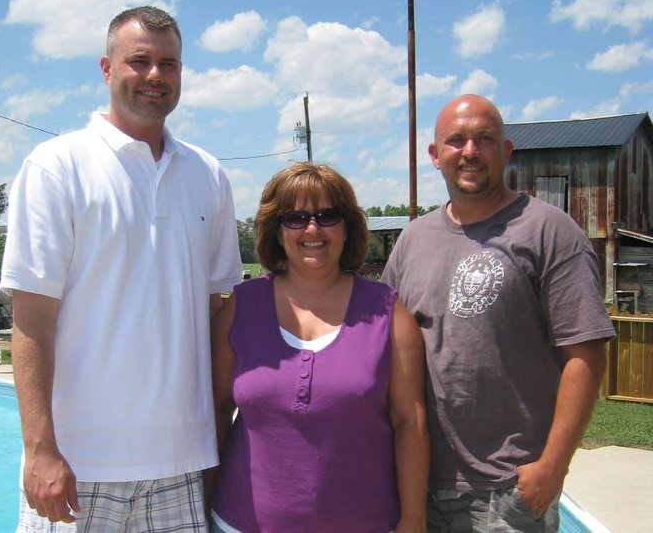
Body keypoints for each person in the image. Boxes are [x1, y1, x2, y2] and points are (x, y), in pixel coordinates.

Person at [0, 6, 242, 532]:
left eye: (169, 64)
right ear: (107, 69)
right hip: (77, 465)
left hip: (182, 462)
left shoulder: (208, 175)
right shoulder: (57, 167)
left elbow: (216, 309)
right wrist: (39, 449)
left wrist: (217, 440)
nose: (156, 75)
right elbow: (32, 317)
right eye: (140, 61)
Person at [382, 94, 614, 532]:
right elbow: (381, 346)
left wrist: (553, 466)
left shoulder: (549, 231)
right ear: (435, 155)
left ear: (506, 151)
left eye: (484, 139)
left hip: (507, 489)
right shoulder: (412, 240)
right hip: (418, 481)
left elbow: (586, 354)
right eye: (456, 140)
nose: (470, 151)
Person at [209, 162, 429, 533]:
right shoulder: (240, 309)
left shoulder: (388, 313)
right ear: (277, 231)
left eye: (327, 216)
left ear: (347, 227)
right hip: (239, 524)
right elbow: (215, 414)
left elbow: (410, 422)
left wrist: (413, 518)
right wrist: (201, 503)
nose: (312, 229)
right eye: (295, 218)